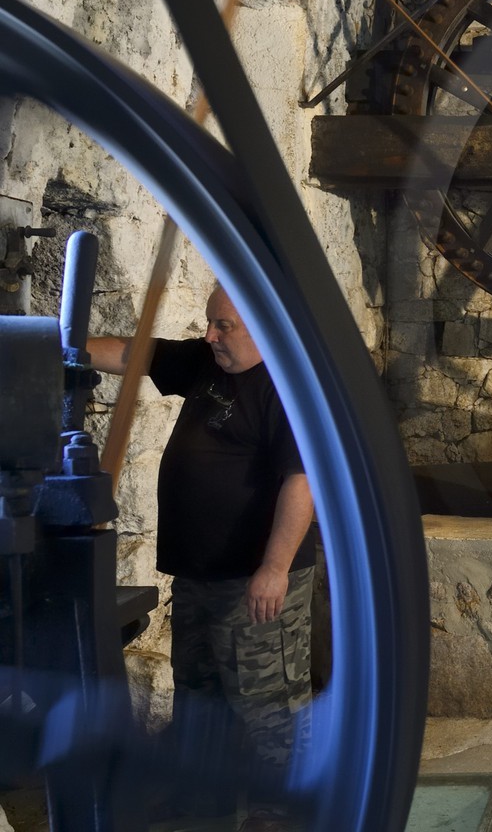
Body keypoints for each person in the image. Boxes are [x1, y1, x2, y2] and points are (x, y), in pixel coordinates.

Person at [89, 285, 314, 831]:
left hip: (252, 578)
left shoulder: (287, 388)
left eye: (224, 326)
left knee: (268, 704)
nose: (210, 335)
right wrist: (57, 342)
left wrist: (274, 569)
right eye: (211, 324)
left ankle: (279, 810)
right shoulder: (209, 362)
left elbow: (302, 482)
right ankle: (203, 800)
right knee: (200, 693)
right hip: (198, 573)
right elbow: (132, 352)